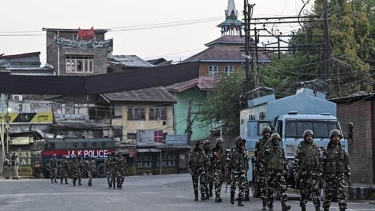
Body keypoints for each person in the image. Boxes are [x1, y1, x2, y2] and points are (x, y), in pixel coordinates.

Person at [321, 129, 351, 211]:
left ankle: (342, 208)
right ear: (331, 138)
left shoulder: (343, 150)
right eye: (334, 137)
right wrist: (321, 177)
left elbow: (346, 163)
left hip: (340, 176)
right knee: (328, 196)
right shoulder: (326, 150)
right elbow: (322, 164)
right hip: (330, 177)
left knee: (342, 195)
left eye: (338, 137)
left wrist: (348, 175)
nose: (336, 139)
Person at [293, 130, 321, 211]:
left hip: (314, 174)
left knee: (316, 193)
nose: (309, 138)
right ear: (305, 137)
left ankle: (317, 208)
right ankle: (303, 207)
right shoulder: (301, 147)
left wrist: (320, 172)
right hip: (304, 174)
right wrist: (295, 172)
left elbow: (319, 159)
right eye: (308, 136)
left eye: (311, 136)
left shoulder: (315, 147)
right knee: (304, 193)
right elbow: (296, 160)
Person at [262, 133, 291, 211]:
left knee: (283, 188)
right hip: (271, 173)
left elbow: (284, 161)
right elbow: (264, 161)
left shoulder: (281, 149)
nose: (276, 141)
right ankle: (270, 206)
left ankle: (284, 204)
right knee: (270, 190)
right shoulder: (268, 149)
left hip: (280, 173)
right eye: (275, 140)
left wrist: (287, 170)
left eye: (278, 140)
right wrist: (264, 171)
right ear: (272, 140)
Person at [253, 126, 272, 210]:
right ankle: (264, 204)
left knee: (271, 186)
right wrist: (256, 165)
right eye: (266, 133)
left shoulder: (273, 142)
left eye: (268, 133)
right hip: (262, 166)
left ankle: (270, 205)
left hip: (271, 167)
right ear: (263, 133)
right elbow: (256, 154)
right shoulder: (259, 142)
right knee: (263, 186)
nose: (267, 134)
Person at [228, 136, 249, 207]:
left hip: (242, 170)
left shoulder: (245, 149)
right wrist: (229, 168)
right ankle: (232, 195)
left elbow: (247, 158)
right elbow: (229, 159)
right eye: (240, 142)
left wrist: (243, 151)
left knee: (242, 186)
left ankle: (240, 200)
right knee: (233, 185)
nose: (241, 143)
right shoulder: (233, 149)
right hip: (235, 170)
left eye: (242, 142)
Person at [212, 138, 227, 202]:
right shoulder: (214, 151)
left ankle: (218, 194)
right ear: (217, 144)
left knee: (220, 182)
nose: (221, 144)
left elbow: (227, 159)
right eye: (220, 143)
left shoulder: (224, 151)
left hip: (223, 169)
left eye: (222, 143)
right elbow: (210, 159)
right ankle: (217, 196)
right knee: (217, 182)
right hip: (217, 169)